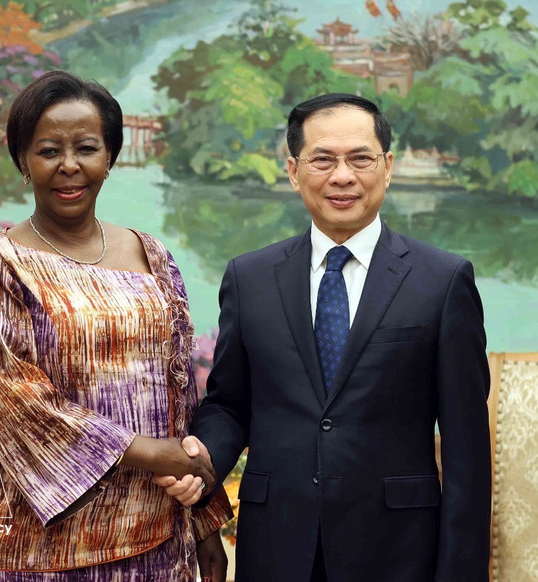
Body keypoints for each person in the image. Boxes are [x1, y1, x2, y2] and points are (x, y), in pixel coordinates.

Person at [156, 94, 491, 581]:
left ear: (388, 166)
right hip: (277, 545)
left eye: (360, 158)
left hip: (399, 551)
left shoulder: (441, 280)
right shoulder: (250, 277)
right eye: (323, 160)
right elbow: (231, 404)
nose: (342, 176)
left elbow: (466, 449)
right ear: (294, 171)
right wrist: (202, 461)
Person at [0, 70, 232, 582]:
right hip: (32, 550)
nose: (69, 166)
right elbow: (16, 401)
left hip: (156, 541)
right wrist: (152, 454)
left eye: (86, 147)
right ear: (22, 160)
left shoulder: (154, 255)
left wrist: (204, 523)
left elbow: (178, 394)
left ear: (110, 157)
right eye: (48, 151)